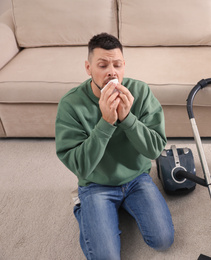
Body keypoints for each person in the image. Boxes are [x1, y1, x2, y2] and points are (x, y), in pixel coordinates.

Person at [55, 32, 174, 259]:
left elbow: (155, 150)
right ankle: (83, 207)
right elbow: (80, 166)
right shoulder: (71, 104)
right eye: (102, 65)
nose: (112, 71)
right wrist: (106, 123)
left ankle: (115, 208)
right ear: (88, 68)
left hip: (136, 178)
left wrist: (128, 119)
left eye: (117, 64)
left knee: (163, 240)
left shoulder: (140, 91)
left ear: (124, 66)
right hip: (95, 184)